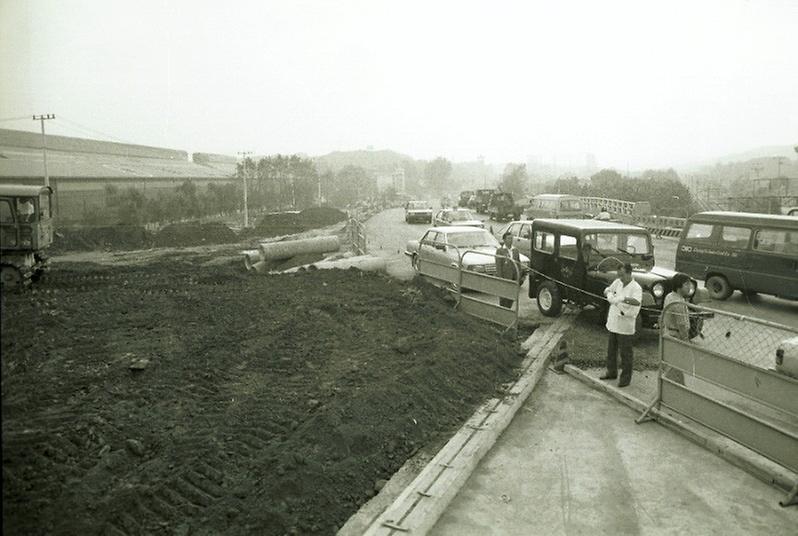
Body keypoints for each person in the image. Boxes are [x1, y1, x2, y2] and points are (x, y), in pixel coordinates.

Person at [601, 263, 642, 387]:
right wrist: (608, 293)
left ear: (629, 273)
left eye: (623, 275)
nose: (620, 278)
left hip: (625, 324)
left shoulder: (636, 287)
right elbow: (608, 290)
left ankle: (625, 378)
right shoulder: (617, 282)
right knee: (611, 350)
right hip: (614, 322)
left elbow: (636, 302)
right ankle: (611, 372)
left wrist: (623, 298)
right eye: (619, 275)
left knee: (625, 353)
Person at [661, 272, 694, 384]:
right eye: (687, 284)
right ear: (679, 286)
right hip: (676, 336)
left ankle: (673, 387)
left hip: (668, 333)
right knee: (675, 367)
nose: (689, 287)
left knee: (671, 367)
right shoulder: (679, 302)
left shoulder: (669, 296)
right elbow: (681, 324)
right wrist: (686, 339)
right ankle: (676, 389)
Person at [496, 231, 521, 309]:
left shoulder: (515, 250)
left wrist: (518, 276)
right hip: (505, 278)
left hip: (513, 278)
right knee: (504, 297)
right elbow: (498, 266)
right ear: (504, 240)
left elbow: (518, 264)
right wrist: (501, 278)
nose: (510, 240)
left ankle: (509, 310)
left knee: (511, 296)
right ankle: (503, 311)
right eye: (508, 238)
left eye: (511, 238)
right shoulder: (500, 251)